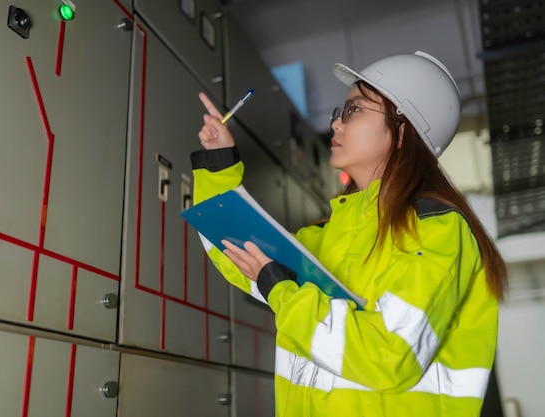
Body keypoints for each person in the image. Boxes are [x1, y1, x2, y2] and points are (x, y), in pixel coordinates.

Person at [190, 51, 507, 417]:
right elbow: (236, 252)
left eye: (353, 110)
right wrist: (218, 164)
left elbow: (389, 355)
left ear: (402, 133)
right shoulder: (331, 234)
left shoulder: (438, 230)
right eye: (339, 112)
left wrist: (281, 290)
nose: (336, 125)